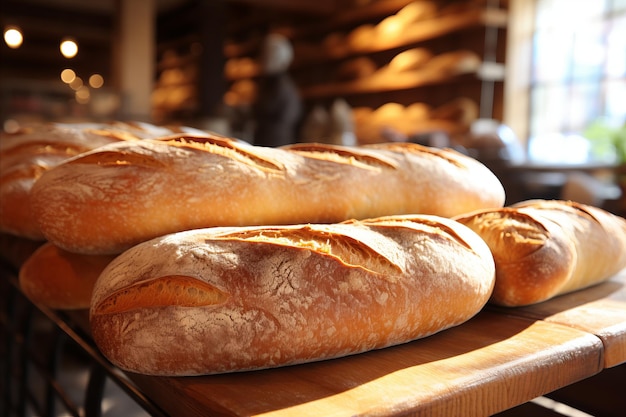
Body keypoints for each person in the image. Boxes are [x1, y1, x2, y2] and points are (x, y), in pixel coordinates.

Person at [252, 33, 302, 147]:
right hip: (267, 140)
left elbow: (268, 109)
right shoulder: (269, 82)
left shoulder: (281, 84)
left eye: (269, 54)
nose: (264, 58)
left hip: (277, 142)